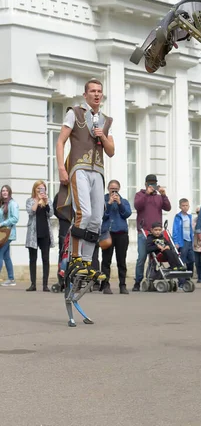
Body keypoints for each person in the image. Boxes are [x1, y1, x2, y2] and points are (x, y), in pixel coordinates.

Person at [56, 79, 114, 279]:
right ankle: (75, 258)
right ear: (85, 94)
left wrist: (103, 137)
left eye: (99, 91)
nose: (97, 94)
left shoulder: (106, 120)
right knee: (85, 213)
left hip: (97, 170)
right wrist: (61, 168)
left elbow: (111, 151)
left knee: (97, 218)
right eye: (93, 91)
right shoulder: (75, 112)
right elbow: (61, 141)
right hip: (79, 166)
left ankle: (87, 262)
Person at [132, 174, 171, 291]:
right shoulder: (140, 195)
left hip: (157, 232)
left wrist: (164, 195)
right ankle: (138, 281)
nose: (152, 186)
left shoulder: (159, 197)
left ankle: (152, 279)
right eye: (150, 184)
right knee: (141, 257)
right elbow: (137, 206)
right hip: (143, 231)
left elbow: (168, 207)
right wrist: (146, 194)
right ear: (146, 184)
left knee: (155, 257)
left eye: (154, 183)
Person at [100, 180, 132, 295]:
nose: (113, 192)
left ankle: (122, 285)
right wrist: (108, 204)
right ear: (108, 189)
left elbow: (127, 214)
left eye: (116, 189)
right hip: (108, 233)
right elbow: (102, 216)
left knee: (121, 260)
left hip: (121, 234)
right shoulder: (102, 200)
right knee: (106, 261)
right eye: (111, 189)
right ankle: (105, 285)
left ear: (119, 189)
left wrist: (119, 203)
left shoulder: (124, 201)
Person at [25, 181, 55, 292]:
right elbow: (31, 212)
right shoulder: (30, 200)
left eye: (42, 189)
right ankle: (33, 284)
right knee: (33, 259)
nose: (40, 191)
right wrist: (37, 201)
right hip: (33, 233)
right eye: (38, 188)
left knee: (45, 259)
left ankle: (45, 285)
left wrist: (46, 202)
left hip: (45, 232)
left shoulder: (48, 200)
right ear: (34, 189)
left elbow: (51, 213)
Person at [172, 198, 194, 291]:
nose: (185, 207)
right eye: (183, 205)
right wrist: (176, 242)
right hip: (182, 241)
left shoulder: (189, 217)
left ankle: (188, 278)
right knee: (182, 261)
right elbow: (175, 230)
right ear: (180, 206)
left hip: (189, 241)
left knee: (191, 260)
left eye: (187, 205)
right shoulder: (178, 217)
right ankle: (181, 281)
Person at [0, 185, 19, 286]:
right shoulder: (2, 204)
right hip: (2, 234)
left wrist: (2, 224)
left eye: (6, 191)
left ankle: (11, 279)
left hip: (8, 234)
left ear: (9, 192)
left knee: (0, 254)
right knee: (6, 256)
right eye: (3, 191)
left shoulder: (13, 204)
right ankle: (11, 279)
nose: (4, 192)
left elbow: (15, 218)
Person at [192, 206, 201, 283]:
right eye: (198, 212)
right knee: (197, 262)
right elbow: (193, 229)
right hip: (196, 244)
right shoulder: (194, 220)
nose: (199, 214)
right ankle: (199, 276)